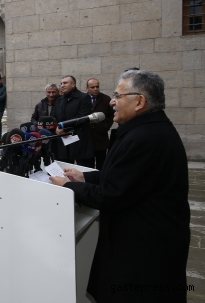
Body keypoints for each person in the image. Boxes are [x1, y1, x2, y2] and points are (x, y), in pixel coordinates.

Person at [50, 70, 190, 302]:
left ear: (140, 102)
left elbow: (111, 195)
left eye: (118, 96)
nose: (112, 101)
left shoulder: (145, 137)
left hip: (144, 250)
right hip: (146, 242)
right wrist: (86, 178)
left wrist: (68, 186)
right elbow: (128, 177)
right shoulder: (147, 130)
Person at [53, 75, 94, 167]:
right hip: (63, 141)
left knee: (83, 170)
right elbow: (54, 117)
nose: (62, 85)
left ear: (73, 84)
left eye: (65, 83)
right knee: (65, 171)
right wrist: (56, 127)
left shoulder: (84, 97)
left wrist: (65, 129)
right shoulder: (59, 100)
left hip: (80, 141)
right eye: (61, 83)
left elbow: (82, 117)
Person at [85, 79, 114, 170]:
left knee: (102, 164)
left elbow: (111, 115)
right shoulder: (83, 99)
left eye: (97, 86)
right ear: (87, 88)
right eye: (92, 87)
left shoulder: (105, 99)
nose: (95, 89)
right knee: (88, 165)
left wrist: (105, 127)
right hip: (87, 138)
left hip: (101, 137)